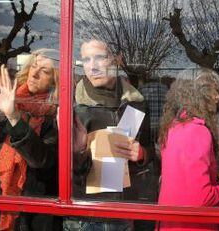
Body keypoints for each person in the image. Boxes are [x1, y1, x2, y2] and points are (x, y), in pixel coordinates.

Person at [65, 38, 154, 231]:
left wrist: (142, 155)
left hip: (126, 211)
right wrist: (78, 152)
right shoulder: (73, 106)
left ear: (117, 60)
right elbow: (55, 168)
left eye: (99, 58)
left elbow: (151, 151)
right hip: (84, 214)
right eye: (86, 60)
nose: (92, 67)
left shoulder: (137, 103)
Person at [0, 49, 60, 231]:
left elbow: (42, 160)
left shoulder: (55, 115)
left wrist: (14, 118)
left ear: (55, 80)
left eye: (45, 71)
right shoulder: (3, 97)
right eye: (33, 66)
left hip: (25, 213)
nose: (34, 73)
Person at [157, 76, 219, 231]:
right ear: (197, 96)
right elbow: (201, 197)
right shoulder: (197, 131)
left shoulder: (174, 127)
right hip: (193, 225)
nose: (217, 97)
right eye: (211, 91)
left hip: (171, 222)